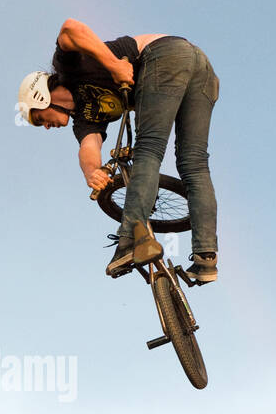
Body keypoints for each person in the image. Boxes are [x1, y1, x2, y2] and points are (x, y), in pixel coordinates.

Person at [17, 20, 220, 281]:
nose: (45, 126)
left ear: (40, 98)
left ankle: (130, 242)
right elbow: (89, 145)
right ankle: (206, 259)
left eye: (38, 119)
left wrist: (114, 65)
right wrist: (92, 172)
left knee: (149, 147)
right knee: (193, 162)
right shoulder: (84, 118)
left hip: (164, 55)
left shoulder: (69, 69)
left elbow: (70, 29)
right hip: (199, 68)